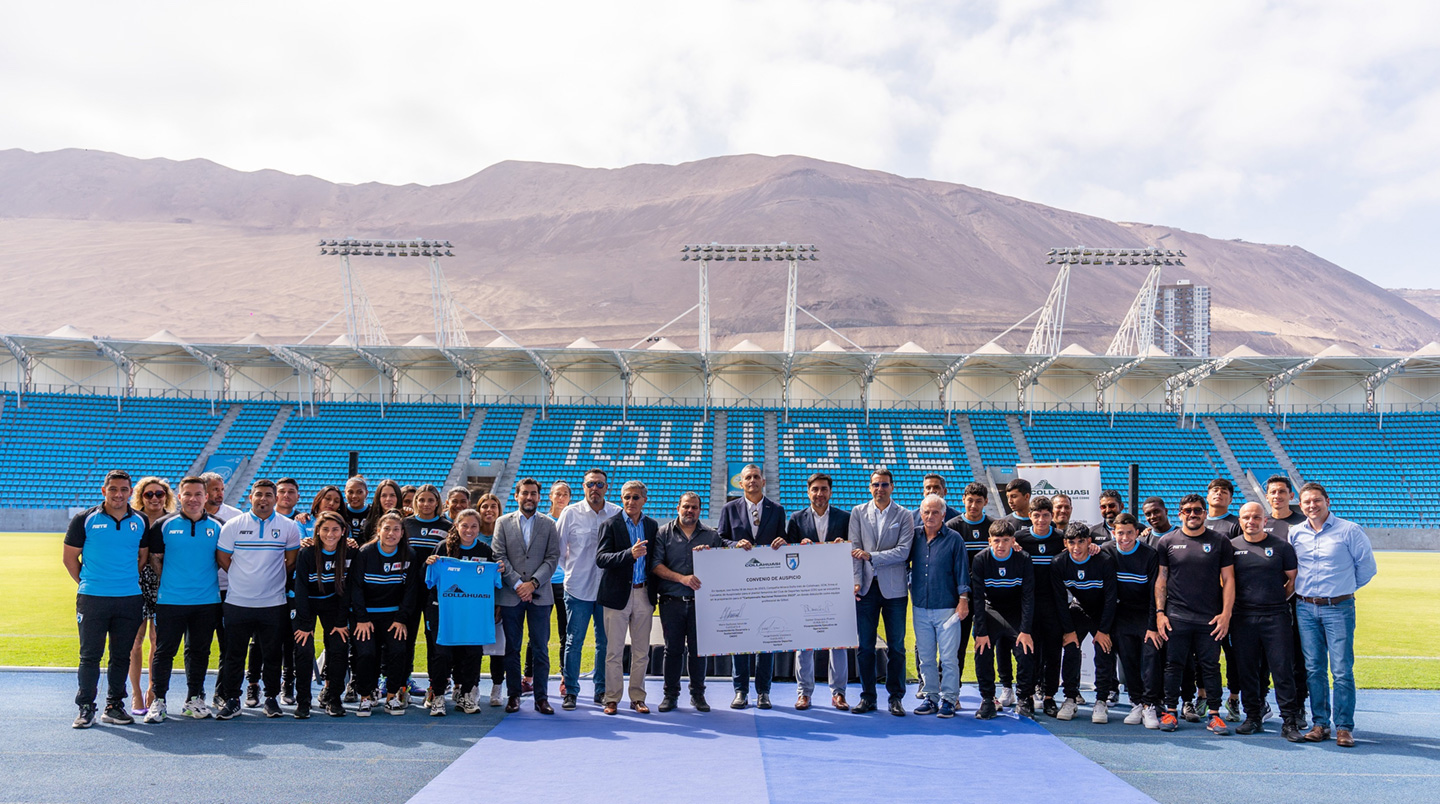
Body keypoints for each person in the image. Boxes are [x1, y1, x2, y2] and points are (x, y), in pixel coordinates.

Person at [1291, 482, 1377, 748]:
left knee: (1341, 670)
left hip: (1339, 608)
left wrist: (1343, 589)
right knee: (1314, 669)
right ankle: (1320, 724)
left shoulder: (1349, 530)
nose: (1311, 506)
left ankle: (1344, 727)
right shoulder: (1295, 533)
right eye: (1306, 502)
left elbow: (1367, 568)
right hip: (1305, 608)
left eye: (1316, 500)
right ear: (1301, 505)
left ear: (1328, 501)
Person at [63, 470, 149, 728]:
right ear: (104, 491)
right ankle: (86, 707)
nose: (119, 494)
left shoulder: (141, 520)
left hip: (129, 599)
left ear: (131, 492)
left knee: (121, 655)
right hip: (93, 599)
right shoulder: (84, 519)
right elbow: (69, 559)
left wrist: (123, 581)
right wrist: (90, 584)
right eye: (113, 489)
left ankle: (114, 705)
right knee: (90, 655)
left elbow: (142, 557)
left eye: (124, 489)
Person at [214, 479, 301, 720]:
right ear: (250, 497)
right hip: (237, 602)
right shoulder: (233, 525)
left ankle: (271, 699)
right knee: (234, 654)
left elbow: (291, 561)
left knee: (272, 653)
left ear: (275, 499)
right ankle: (232, 699)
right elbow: (223, 557)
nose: (263, 499)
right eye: (258, 494)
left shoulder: (288, 526)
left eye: (268, 495)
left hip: (273, 603)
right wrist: (242, 578)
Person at [142, 477, 223, 723]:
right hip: (171, 600)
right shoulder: (164, 525)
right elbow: (155, 559)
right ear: (179, 497)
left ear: (206, 497)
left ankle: (193, 699)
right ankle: (159, 701)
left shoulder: (219, 526)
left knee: (199, 651)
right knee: (164, 651)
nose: (193, 499)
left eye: (198, 494)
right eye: (187, 494)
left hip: (207, 601)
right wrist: (173, 581)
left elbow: (222, 558)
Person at [1155, 493, 1235, 735]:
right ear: (1180, 514)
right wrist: (1160, 612)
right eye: (1188, 510)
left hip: (1210, 618)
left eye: (1198, 510)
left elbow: (1229, 579)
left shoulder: (1220, 541)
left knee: (1210, 666)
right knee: (1173, 665)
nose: (1193, 514)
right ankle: (1170, 711)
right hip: (1177, 616)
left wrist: (1226, 614)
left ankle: (1213, 714)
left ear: (1205, 513)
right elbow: (1161, 579)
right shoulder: (1167, 541)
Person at [1229, 502, 1303, 741]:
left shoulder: (1281, 547)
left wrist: (1276, 599)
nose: (1251, 521)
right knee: (1247, 670)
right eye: (1246, 517)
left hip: (1276, 617)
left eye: (1256, 517)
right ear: (1240, 521)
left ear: (1265, 520)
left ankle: (1289, 721)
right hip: (1243, 618)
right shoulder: (1231, 547)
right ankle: (1253, 717)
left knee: (1283, 670)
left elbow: (1293, 580)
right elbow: (1225, 582)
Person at [716, 463, 787, 709]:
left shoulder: (777, 510)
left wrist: (783, 541)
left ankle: (764, 691)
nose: (753, 481)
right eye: (748, 477)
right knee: (741, 638)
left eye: (757, 477)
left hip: (768, 584)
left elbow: (784, 540)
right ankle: (740, 691)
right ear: (741, 482)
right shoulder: (729, 508)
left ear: (763, 482)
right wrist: (733, 545)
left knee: (768, 637)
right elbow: (720, 538)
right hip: (739, 583)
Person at [651, 492, 726, 712]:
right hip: (671, 601)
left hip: (700, 603)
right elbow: (656, 565)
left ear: (699, 510)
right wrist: (682, 578)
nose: (689, 510)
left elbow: (721, 566)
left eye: (694, 507)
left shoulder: (711, 536)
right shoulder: (663, 533)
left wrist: (710, 555)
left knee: (698, 651)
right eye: (686, 506)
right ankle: (670, 695)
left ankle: (698, 695)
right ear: (678, 507)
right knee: (672, 650)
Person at [423, 509, 500, 717]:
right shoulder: (443, 547)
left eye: (474, 526)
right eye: (464, 525)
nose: (469, 530)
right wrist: (429, 564)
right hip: (443, 610)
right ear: (456, 526)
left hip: (473, 612)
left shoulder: (485, 551)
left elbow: (493, 583)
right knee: (441, 653)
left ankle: (466, 694)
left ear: (479, 528)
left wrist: (497, 570)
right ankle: (438, 696)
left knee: (473, 653)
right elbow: (429, 581)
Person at [849, 467, 913, 716]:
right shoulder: (858, 512)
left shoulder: (905, 514)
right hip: (865, 588)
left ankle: (895, 697)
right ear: (870, 487)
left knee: (896, 647)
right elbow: (854, 549)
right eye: (876, 484)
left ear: (892, 487)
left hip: (895, 589)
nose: (880, 489)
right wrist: (855, 580)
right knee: (865, 647)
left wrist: (871, 556)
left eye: (885, 484)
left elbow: (904, 551)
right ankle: (868, 696)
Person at [494, 478, 560, 714]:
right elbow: (499, 556)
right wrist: (518, 584)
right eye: (525, 493)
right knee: (512, 648)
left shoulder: (549, 525)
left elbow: (552, 559)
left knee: (541, 648)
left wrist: (532, 584)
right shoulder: (502, 522)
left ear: (539, 497)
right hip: (511, 596)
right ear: (516, 496)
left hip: (540, 595)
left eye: (533, 493)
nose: (529, 497)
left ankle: (541, 698)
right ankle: (513, 696)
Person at [786, 472, 851, 710]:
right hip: (805, 588)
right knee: (804, 641)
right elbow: (788, 554)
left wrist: (843, 545)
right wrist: (798, 547)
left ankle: (839, 693)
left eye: (824, 489)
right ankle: (804, 692)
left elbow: (853, 548)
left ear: (830, 492)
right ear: (808, 492)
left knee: (839, 641)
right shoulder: (795, 519)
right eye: (815, 489)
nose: (819, 494)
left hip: (837, 588)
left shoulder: (845, 518)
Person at [557, 469, 619, 710]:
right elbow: (560, 552)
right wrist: (575, 570)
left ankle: (601, 689)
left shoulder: (616, 512)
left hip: (607, 590)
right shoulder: (570, 514)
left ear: (606, 488)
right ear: (584, 487)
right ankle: (571, 691)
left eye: (600, 484)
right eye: (590, 484)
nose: (595, 488)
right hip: (578, 589)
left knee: (605, 643)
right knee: (574, 641)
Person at [596, 480, 660, 715]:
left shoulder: (652, 526)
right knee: (613, 651)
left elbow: (656, 560)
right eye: (626, 497)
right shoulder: (610, 524)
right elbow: (601, 558)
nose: (630, 501)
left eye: (635, 497)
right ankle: (612, 698)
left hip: (644, 593)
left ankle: (637, 697)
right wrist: (628, 555)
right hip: (616, 596)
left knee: (641, 651)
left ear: (645, 499)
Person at [350, 511, 421, 716]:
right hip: (367, 616)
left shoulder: (410, 554)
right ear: (379, 530)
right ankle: (365, 696)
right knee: (366, 653)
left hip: (393, 616)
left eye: (396, 529)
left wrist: (401, 619)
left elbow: (410, 590)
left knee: (399, 651)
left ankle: (392, 696)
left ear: (402, 533)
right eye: (386, 528)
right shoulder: (365, 553)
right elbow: (356, 588)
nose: (391, 533)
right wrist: (361, 618)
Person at [908, 495, 970, 718]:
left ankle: (949, 699)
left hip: (947, 607)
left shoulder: (954, 539)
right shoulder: (913, 536)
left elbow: (962, 570)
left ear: (944, 515)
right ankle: (931, 697)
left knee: (948, 658)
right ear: (921, 513)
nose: (930, 516)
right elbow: (904, 563)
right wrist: (909, 582)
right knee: (925, 657)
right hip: (920, 607)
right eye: (927, 512)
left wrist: (963, 600)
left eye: (935, 512)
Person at [1101, 513, 1163, 729]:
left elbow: (1155, 592)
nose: (1124, 537)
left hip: (1145, 613)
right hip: (1122, 614)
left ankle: (1150, 705)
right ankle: (1137, 702)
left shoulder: (1149, 554)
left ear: (1138, 533)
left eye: (1129, 533)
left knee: (1150, 659)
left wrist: (1152, 626)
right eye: (1120, 533)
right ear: (1113, 533)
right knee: (1128, 660)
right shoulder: (1106, 551)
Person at [1052, 523, 1118, 723]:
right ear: (1065, 543)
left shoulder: (1103, 561)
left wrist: (1104, 630)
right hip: (1078, 609)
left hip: (1101, 612)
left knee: (1104, 650)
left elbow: (1110, 598)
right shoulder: (1059, 563)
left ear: (1089, 541)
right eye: (1071, 542)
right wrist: (1069, 630)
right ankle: (1070, 698)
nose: (1076, 547)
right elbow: (1060, 601)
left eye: (1081, 542)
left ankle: (1101, 701)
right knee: (1070, 648)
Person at [971, 519, 1036, 719]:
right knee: (982, 650)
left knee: (1026, 650)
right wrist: (980, 632)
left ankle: (1024, 698)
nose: (1001, 545)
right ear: (989, 540)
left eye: (1006, 540)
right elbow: (978, 599)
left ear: (1013, 541)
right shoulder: (981, 560)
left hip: (1015, 610)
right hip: (991, 609)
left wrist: (1025, 630)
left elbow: (1028, 596)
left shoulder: (1023, 559)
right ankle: (988, 699)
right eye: (997, 540)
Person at [945, 482, 1002, 706]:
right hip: (960, 598)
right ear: (963, 500)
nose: (974, 505)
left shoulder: (993, 526)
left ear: (986, 502)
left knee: (984, 646)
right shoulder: (952, 526)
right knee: (955, 647)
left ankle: (988, 694)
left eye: (979, 501)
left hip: (988, 599)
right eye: (970, 500)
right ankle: (953, 692)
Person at [291, 510, 352, 718]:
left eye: (335, 529)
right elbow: (300, 588)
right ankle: (303, 701)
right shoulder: (307, 553)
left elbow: (349, 590)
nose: (330, 534)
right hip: (308, 605)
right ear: (317, 531)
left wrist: (342, 620)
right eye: (325, 529)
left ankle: (333, 698)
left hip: (334, 606)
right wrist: (305, 624)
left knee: (339, 648)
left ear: (343, 531)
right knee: (304, 650)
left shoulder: (350, 553)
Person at [1263, 474, 1310, 718]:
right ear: (1267, 496)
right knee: (1261, 657)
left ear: (1291, 496)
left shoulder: (1304, 522)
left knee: (1295, 657)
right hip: (1263, 602)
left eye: (1282, 492)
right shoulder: (1260, 522)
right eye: (1273, 492)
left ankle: (1298, 706)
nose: (1278, 496)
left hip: (1296, 601)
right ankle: (1259, 703)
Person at [1015, 495, 1065, 717]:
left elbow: (1081, 548)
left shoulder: (1061, 539)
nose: (1041, 520)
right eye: (1037, 515)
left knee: (1053, 653)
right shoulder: (1020, 538)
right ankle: (1024, 696)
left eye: (1046, 515)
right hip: (1027, 604)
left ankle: (1049, 697)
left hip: (1053, 604)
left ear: (1052, 516)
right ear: (1030, 516)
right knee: (1027, 653)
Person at [403, 484, 453, 705]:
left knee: (435, 642)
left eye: (430, 500)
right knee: (405, 639)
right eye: (421, 500)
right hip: (409, 591)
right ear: (415, 502)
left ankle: (436, 687)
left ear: (438, 503)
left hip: (437, 593)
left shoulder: (448, 526)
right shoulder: (405, 524)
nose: (425, 504)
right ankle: (401, 685)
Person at [128, 476, 172, 717]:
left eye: (159, 494)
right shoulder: (133, 520)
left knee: (158, 641)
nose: (155, 498)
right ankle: (135, 693)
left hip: (166, 584)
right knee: (135, 641)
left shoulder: (173, 521)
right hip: (135, 582)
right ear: (141, 496)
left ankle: (153, 691)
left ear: (166, 496)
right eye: (149, 494)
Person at [201, 471, 243, 709]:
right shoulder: (193, 516)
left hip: (230, 591)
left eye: (221, 489)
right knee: (199, 646)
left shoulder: (235, 516)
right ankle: (195, 694)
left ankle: (223, 692)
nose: (220, 493)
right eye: (215, 489)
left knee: (229, 645)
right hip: (203, 592)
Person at [529, 480, 571, 696]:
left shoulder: (573, 520)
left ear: (570, 497)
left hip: (566, 584)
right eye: (558, 493)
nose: (561, 497)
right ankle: (529, 676)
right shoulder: (542, 522)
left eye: (565, 494)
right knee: (538, 633)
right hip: (543, 583)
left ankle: (565, 677)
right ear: (550, 497)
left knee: (566, 633)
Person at [472, 493, 509, 706]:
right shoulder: (470, 535)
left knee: (499, 647)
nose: (488, 510)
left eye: (493, 506)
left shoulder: (505, 534)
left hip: (499, 598)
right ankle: (473, 686)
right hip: (475, 601)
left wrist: (500, 601)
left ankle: (497, 687)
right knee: (474, 646)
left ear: (499, 510)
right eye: (484, 506)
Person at [343, 476, 371, 541]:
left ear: (366, 493)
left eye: (359, 492)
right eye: (350, 492)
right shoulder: (340, 511)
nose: (354, 496)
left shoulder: (372, 513)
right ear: (345, 493)